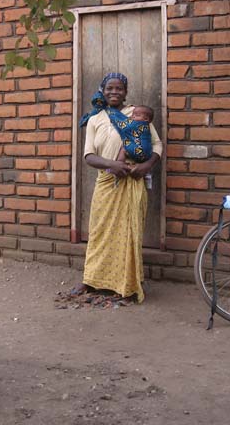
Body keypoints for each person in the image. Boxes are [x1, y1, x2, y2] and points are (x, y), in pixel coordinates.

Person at [73, 73, 162, 303]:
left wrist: (147, 165)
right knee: (99, 231)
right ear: (102, 90)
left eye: (119, 88)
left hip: (133, 180)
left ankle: (127, 285)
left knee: (130, 233)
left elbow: (157, 144)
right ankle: (91, 280)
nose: (114, 92)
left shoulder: (136, 114)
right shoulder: (95, 119)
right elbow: (89, 156)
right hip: (107, 181)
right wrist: (112, 164)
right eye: (110, 88)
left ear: (126, 91)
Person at [109, 104, 155, 189]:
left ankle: (120, 163)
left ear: (146, 119)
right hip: (147, 153)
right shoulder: (146, 126)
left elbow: (123, 125)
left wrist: (114, 118)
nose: (132, 117)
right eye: (132, 115)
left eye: (136, 115)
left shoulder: (136, 124)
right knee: (145, 165)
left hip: (138, 150)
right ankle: (148, 176)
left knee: (124, 148)